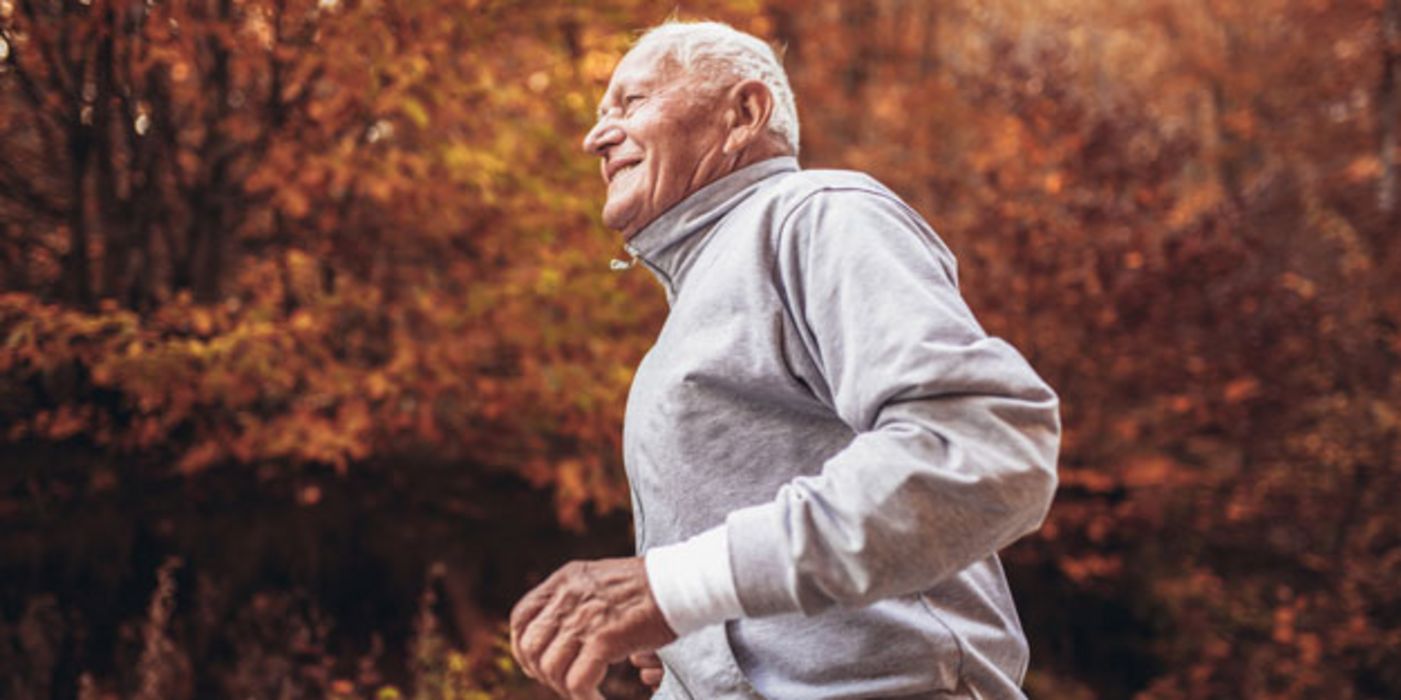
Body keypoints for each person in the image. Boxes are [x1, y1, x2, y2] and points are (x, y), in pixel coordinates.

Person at [509, 20, 1060, 700]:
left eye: (632, 102)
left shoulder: (816, 215)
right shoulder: (700, 295)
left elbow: (982, 448)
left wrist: (674, 587)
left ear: (744, 113)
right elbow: (742, 575)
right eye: (600, 113)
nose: (597, 135)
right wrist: (692, 639)